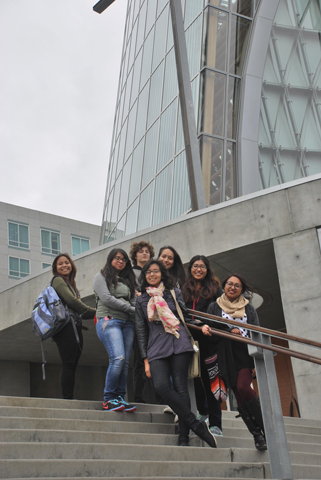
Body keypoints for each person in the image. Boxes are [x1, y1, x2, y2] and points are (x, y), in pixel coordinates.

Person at [135, 259, 217, 448]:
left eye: (155, 271)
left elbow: (185, 317)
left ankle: (183, 436)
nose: (152, 274)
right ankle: (196, 425)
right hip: (156, 346)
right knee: (161, 386)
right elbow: (141, 331)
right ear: (145, 276)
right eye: (148, 272)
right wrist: (146, 360)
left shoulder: (173, 293)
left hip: (179, 342)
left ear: (162, 273)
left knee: (181, 387)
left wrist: (200, 325)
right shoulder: (141, 300)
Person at [202, 273, 267, 450]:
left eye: (237, 285)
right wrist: (229, 331)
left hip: (244, 352)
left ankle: (267, 428)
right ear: (224, 286)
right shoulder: (214, 306)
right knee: (239, 397)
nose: (232, 287)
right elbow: (211, 330)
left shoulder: (249, 308)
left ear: (242, 290)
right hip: (225, 353)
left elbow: (257, 332)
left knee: (244, 387)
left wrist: (255, 361)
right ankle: (258, 436)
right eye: (229, 284)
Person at [182, 255, 223, 436]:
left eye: (202, 267)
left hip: (209, 339)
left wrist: (208, 324)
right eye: (195, 266)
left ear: (207, 269)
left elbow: (223, 311)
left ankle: (216, 423)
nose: (198, 269)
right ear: (190, 268)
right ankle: (203, 411)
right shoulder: (184, 288)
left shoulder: (215, 289)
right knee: (196, 378)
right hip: (189, 338)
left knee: (211, 380)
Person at [93, 248, 137, 412]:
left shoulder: (128, 281)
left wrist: (133, 310)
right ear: (110, 259)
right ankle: (108, 399)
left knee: (125, 362)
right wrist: (131, 309)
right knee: (117, 358)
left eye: (124, 259)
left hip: (128, 324)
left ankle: (119, 398)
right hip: (109, 321)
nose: (120, 261)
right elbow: (106, 299)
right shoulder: (101, 277)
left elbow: (134, 302)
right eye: (117, 258)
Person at [51, 253, 96, 400]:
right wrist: (96, 311)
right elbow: (72, 302)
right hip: (65, 328)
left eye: (67, 262)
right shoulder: (57, 280)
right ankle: (67, 399)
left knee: (72, 364)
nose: (64, 265)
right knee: (68, 363)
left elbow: (79, 311)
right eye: (60, 264)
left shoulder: (71, 285)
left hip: (75, 326)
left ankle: (69, 397)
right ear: (56, 268)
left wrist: (99, 314)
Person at [129, 240, 155, 403]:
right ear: (135, 255)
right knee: (139, 359)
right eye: (141, 251)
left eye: (147, 251)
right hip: (138, 320)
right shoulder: (130, 272)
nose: (144, 253)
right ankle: (138, 397)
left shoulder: (155, 271)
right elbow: (131, 293)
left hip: (155, 320)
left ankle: (161, 397)